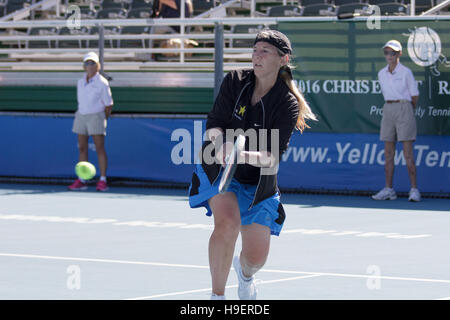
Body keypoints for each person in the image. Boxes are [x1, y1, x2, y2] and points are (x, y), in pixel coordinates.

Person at [188, 29, 317, 300]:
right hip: (219, 167)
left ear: (283, 60)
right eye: (255, 50)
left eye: (264, 51)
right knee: (228, 223)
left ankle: (244, 275)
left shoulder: (287, 102)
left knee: (256, 258)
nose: (256, 56)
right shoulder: (236, 80)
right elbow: (213, 125)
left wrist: (241, 154)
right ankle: (217, 297)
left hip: (259, 179)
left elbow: (271, 157)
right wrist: (222, 144)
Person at [372, 40, 420, 202]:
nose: (389, 56)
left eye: (392, 53)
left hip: (404, 108)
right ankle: (389, 190)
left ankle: (414, 189)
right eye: (386, 52)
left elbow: (414, 96)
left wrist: (406, 109)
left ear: (399, 54)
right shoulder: (381, 73)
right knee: (388, 153)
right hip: (388, 108)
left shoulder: (406, 72)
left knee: (407, 153)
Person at [68, 52, 113, 192]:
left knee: (99, 148)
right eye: (87, 63)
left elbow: (108, 105)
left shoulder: (102, 83)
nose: (90, 66)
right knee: (82, 148)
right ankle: (82, 179)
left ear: (98, 66)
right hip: (81, 116)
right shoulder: (80, 82)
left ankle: (103, 180)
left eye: (93, 63)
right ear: (84, 66)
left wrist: (102, 118)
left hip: (97, 116)